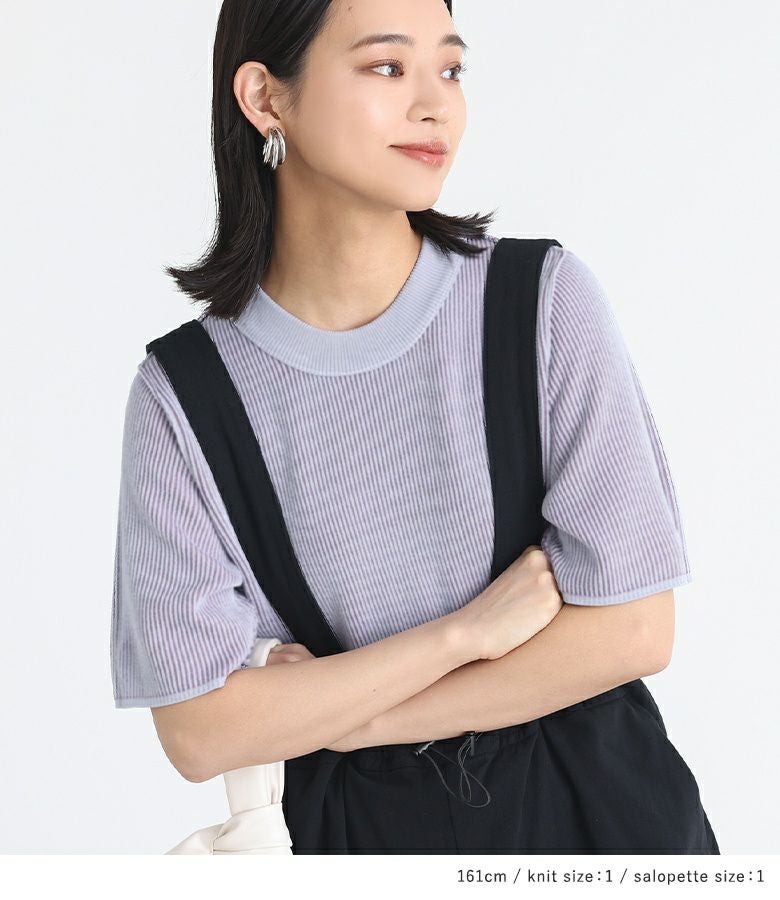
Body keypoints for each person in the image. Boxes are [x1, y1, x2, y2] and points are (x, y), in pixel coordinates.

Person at [110, 0, 719, 853]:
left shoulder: (538, 303)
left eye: (451, 68)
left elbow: (633, 630)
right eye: (388, 67)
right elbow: (200, 732)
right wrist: (463, 635)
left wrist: (349, 717)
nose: (436, 106)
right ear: (265, 98)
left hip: (598, 822)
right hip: (353, 846)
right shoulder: (184, 397)